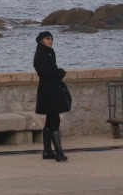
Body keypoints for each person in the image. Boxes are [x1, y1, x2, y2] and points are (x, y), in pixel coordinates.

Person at [34, 31, 71, 162]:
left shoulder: (50, 52)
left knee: (51, 119)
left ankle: (48, 151)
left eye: (52, 38)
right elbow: (43, 73)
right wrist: (58, 72)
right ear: (41, 40)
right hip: (47, 91)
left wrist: (58, 73)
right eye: (47, 38)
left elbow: (51, 71)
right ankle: (59, 152)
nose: (50, 40)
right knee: (54, 119)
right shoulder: (40, 54)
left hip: (53, 89)